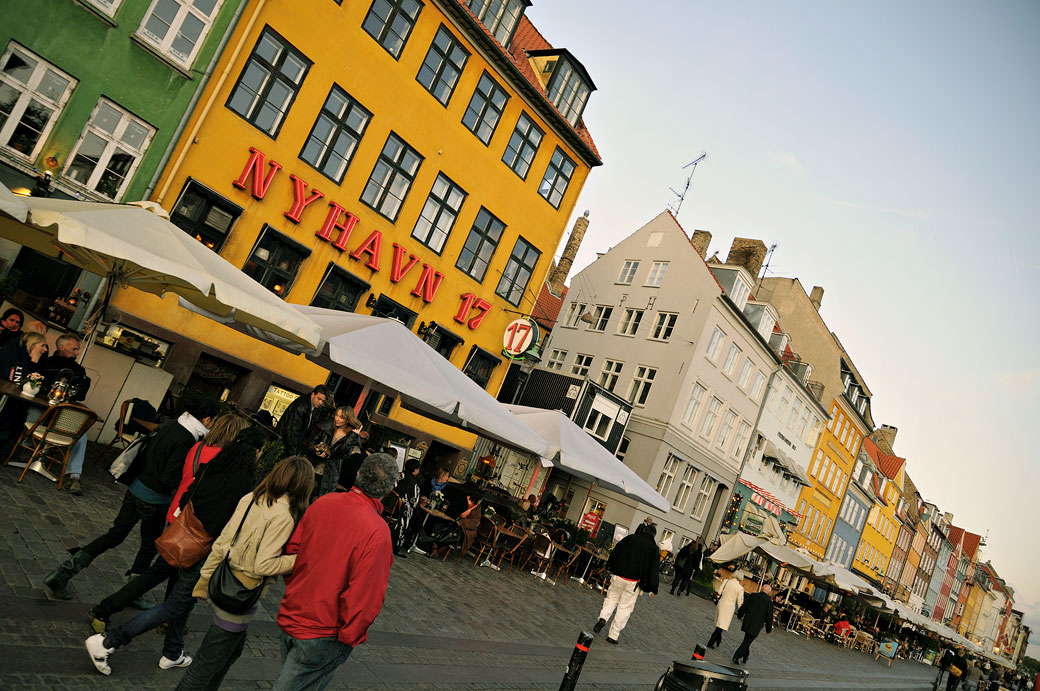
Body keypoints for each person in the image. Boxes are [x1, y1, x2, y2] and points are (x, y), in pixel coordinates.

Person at [85, 427, 266, 676]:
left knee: (167, 590)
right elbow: (231, 524)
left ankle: (172, 652)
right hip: (202, 550)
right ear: (256, 452)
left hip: (182, 537)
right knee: (175, 605)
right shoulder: (246, 483)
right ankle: (108, 641)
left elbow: (187, 496)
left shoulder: (215, 464)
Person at [43, 395, 220, 601]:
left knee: (115, 535)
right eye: (213, 420)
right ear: (207, 420)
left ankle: (63, 572)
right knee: (149, 546)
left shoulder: (172, 424)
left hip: (136, 488)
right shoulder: (188, 438)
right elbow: (169, 476)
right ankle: (132, 594)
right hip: (155, 498)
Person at [175, 455, 315, 691]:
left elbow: (223, 541)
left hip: (223, 578)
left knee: (232, 651)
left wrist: (205, 579)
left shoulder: (251, 498)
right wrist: (301, 558)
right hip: (240, 593)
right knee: (206, 663)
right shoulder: (284, 515)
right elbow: (264, 566)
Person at [272, 453, 398, 691]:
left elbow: (293, 551)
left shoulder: (324, 502)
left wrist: (299, 587)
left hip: (295, 612)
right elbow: (365, 595)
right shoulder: (377, 532)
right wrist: (349, 637)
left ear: (359, 474)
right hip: (323, 630)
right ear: (389, 490)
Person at [28, 334, 91, 493]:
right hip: (43, 407)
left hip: (63, 413)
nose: (77, 353)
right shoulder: (45, 362)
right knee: (34, 411)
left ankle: (74, 476)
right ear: (61, 347)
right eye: (74, 349)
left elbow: (80, 394)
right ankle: (27, 450)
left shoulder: (79, 370)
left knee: (81, 434)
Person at [591, 521, 659, 645]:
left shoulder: (630, 538)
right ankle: (613, 635)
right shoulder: (653, 548)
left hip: (618, 575)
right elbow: (653, 569)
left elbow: (616, 551)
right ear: (653, 535)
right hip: (633, 582)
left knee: (611, 599)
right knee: (625, 608)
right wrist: (654, 588)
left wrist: (609, 567)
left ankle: (603, 618)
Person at [0, 331, 47, 452]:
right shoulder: (17, 356)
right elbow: (18, 380)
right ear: (32, 345)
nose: (45, 349)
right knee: (13, 411)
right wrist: (34, 360)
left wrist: (35, 360)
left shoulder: (34, 361)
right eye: (42, 345)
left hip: (17, 400)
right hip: (8, 397)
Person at [304, 405, 362, 497]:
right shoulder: (326, 426)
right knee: (304, 494)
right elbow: (310, 444)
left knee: (321, 499)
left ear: (348, 419)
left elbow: (342, 454)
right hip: (314, 466)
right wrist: (317, 451)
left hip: (330, 473)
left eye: (341, 417)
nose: (337, 419)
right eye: (336, 415)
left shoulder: (351, 436)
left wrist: (352, 437)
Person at [425, 489, 483, 560]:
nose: (481, 501)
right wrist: (456, 520)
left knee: (455, 535)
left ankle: (437, 551)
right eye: (481, 499)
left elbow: (475, 521)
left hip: (465, 528)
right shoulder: (464, 500)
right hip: (453, 520)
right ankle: (435, 549)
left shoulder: (478, 507)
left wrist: (461, 522)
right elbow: (452, 511)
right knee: (440, 527)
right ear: (477, 498)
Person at [279, 385, 329, 456]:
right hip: (283, 447)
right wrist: (293, 455)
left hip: (287, 447)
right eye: (319, 399)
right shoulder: (302, 406)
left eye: (323, 401)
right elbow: (292, 432)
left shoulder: (312, 408)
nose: (320, 402)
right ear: (312, 394)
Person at [732, 583, 774, 665]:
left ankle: (745, 656)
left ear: (762, 589)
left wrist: (740, 615)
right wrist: (768, 629)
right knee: (747, 641)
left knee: (747, 640)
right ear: (769, 592)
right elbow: (769, 617)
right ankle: (737, 656)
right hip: (757, 624)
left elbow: (744, 606)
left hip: (748, 620)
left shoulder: (753, 595)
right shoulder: (769, 602)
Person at [707, 566, 745, 649]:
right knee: (721, 626)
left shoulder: (726, 581)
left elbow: (719, 591)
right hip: (729, 607)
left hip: (721, 603)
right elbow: (740, 603)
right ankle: (711, 642)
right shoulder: (740, 588)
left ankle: (718, 639)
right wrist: (741, 613)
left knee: (719, 624)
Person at [392, 458, 422, 557]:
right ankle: (397, 546)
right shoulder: (414, 483)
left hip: (390, 505)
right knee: (413, 516)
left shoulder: (398, 475)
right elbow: (415, 501)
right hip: (401, 510)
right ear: (415, 470)